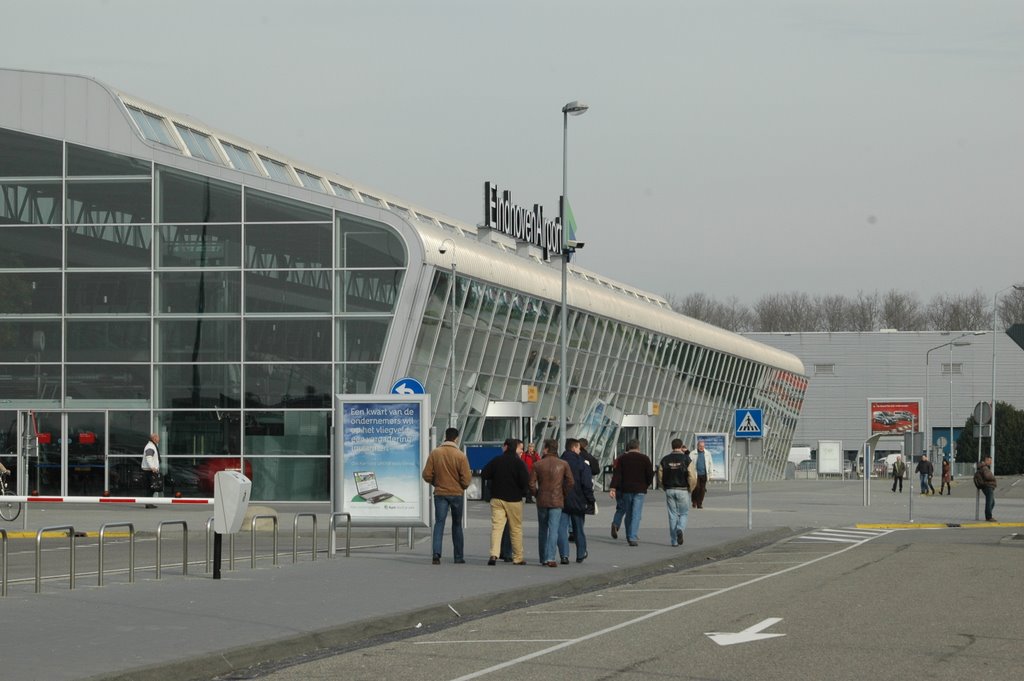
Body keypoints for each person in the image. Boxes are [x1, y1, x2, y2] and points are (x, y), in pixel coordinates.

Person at [422, 427, 472, 565]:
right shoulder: (460, 455)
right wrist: (462, 486)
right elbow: (466, 479)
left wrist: (436, 483)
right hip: (456, 494)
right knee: (457, 524)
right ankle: (458, 556)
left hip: (440, 493)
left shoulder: (435, 453)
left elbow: (426, 474)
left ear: (445, 436)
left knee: (439, 523)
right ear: (456, 438)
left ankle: (436, 554)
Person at [481, 438, 529, 566]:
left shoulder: (497, 460)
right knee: (516, 529)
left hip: (497, 498)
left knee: (497, 528)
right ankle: (518, 557)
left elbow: (484, 474)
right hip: (514, 499)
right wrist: (523, 492)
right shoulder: (519, 463)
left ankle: (494, 554)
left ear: (506, 447)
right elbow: (525, 481)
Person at [530, 438, 573, 567]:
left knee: (543, 529)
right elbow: (570, 482)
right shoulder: (563, 464)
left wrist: (536, 494)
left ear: (547, 449)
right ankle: (550, 557)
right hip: (557, 500)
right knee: (554, 529)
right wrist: (563, 493)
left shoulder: (538, 464)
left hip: (542, 500)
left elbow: (531, 483)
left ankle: (543, 558)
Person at [608, 439, 654, 546]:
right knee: (636, 513)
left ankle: (629, 534)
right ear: (638, 447)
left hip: (626, 489)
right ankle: (632, 537)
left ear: (628, 447)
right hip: (640, 489)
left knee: (628, 512)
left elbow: (617, 474)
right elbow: (650, 474)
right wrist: (646, 485)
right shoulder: (645, 458)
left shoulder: (622, 458)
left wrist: (613, 488)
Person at [557, 439, 594, 564]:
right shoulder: (582, 464)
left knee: (562, 529)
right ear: (574, 448)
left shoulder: (559, 462)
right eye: (578, 448)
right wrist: (590, 500)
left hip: (562, 499)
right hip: (578, 500)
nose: (579, 451)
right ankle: (581, 553)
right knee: (578, 528)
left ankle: (564, 555)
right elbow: (587, 484)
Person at [658, 439, 696, 546]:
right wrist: (691, 488)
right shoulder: (686, 459)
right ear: (681, 446)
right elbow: (692, 476)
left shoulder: (665, 459)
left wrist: (663, 487)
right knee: (683, 513)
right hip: (683, 489)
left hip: (670, 489)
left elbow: (660, 475)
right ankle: (680, 528)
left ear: (672, 446)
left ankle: (674, 541)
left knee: (672, 515)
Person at [141, 433, 162, 508]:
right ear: (154, 438)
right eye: (158, 437)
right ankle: (148, 503)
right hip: (150, 471)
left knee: (151, 488)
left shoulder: (152, 446)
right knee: (150, 488)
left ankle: (149, 503)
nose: (159, 439)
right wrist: (153, 467)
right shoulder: (150, 447)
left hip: (150, 470)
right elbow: (149, 457)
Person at [691, 439, 712, 509]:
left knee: (702, 489)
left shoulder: (707, 453)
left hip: (704, 474)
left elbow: (710, 464)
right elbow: (689, 463)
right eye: (700, 446)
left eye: (703, 446)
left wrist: (710, 474)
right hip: (695, 474)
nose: (701, 447)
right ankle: (694, 501)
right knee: (696, 488)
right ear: (697, 446)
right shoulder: (693, 453)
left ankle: (699, 503)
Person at [976, 456, 997, 521]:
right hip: (987, 486)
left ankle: (988, 514)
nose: (991, 462)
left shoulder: (983, 467)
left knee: (992, 502)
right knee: (990, 502)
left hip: (987, 486)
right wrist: (993, 478)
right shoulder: (984, 468)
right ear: (986, 460)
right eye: (990, 460)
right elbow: (987, 476)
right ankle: (988, 517)